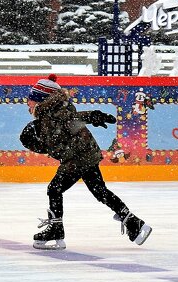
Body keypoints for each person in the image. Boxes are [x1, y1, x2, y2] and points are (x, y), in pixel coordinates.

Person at [21, 75, 152, 249]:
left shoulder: (53, 112)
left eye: (30, 99)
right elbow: (63, 130)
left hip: (79, 156)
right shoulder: (50, 113)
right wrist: (38, 140)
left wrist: (93, 116)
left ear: (41, 99)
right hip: (85, 153)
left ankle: (56, 229)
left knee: (54, 189)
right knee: (100, 191)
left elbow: (71, 121)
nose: (27, 103)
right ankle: (133, 223)